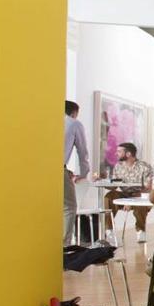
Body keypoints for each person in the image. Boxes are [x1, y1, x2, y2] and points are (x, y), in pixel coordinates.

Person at [103, 142, 154, 243]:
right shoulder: (118, 166)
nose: (116, 153)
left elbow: (148, 188)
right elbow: (114, 186)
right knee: (109, 196)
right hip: (124, 195)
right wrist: (101, 180)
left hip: (140, 195)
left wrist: (131, 201)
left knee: (140, 203)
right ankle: (109, 231)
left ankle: (141, 230)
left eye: (119, 151)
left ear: (128, 154)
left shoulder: (144, 166)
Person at [63, 100, 91, 245]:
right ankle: (64, 246)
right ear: (74, 113)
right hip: (59, 169)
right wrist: (83, 172)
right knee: (69, 206)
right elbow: (82, 151)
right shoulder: (74, 123)